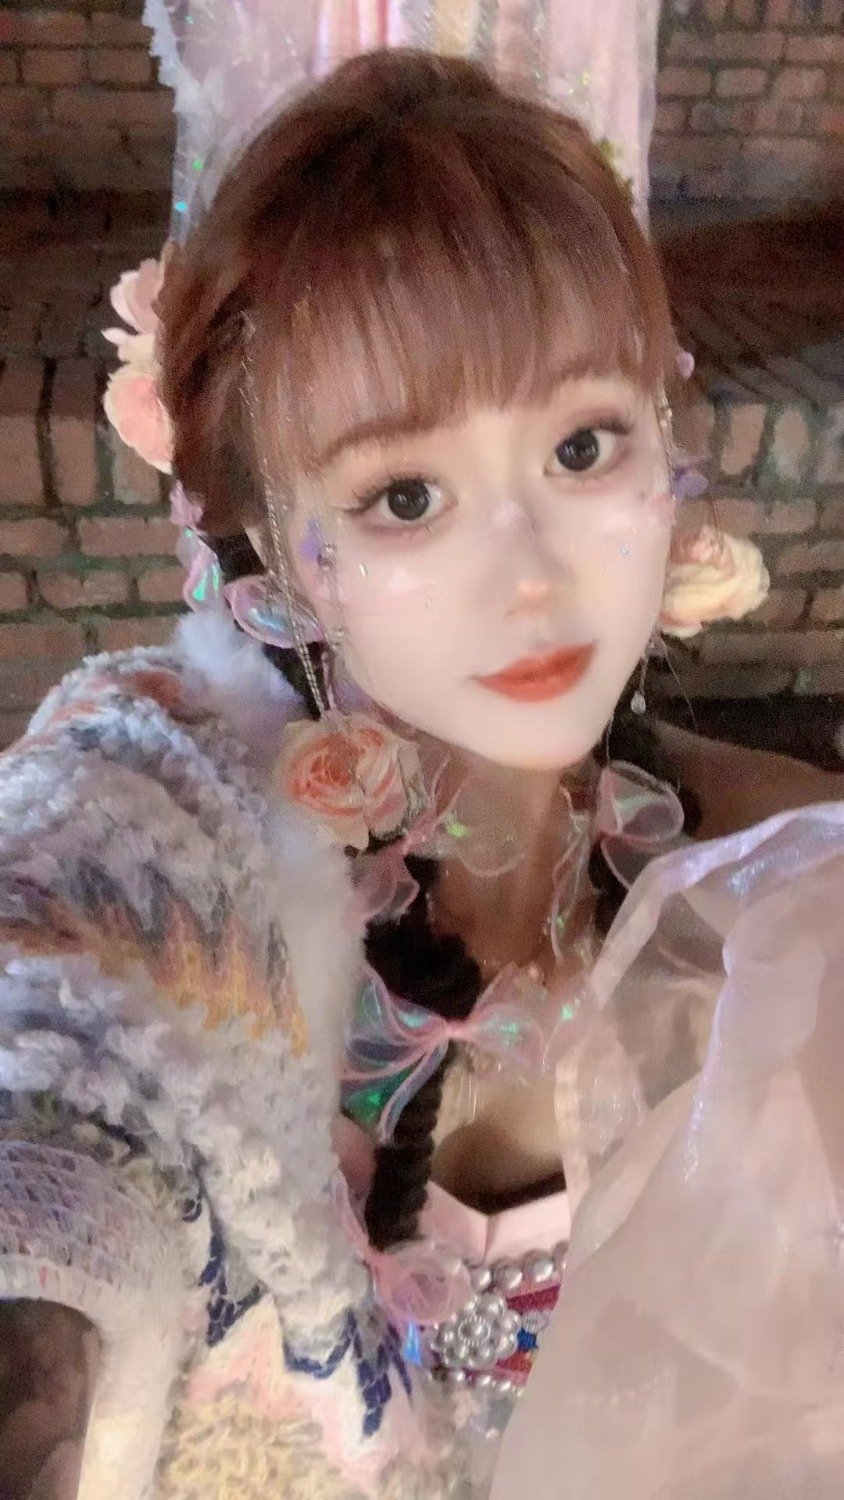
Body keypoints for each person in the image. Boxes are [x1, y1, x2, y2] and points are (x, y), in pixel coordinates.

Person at [1, 44, 842, 1500]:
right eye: (405, 495)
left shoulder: (783, 869)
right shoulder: (182, 838)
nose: (532, 577)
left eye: (583, 445)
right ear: (286, 553)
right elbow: (56, 1017)